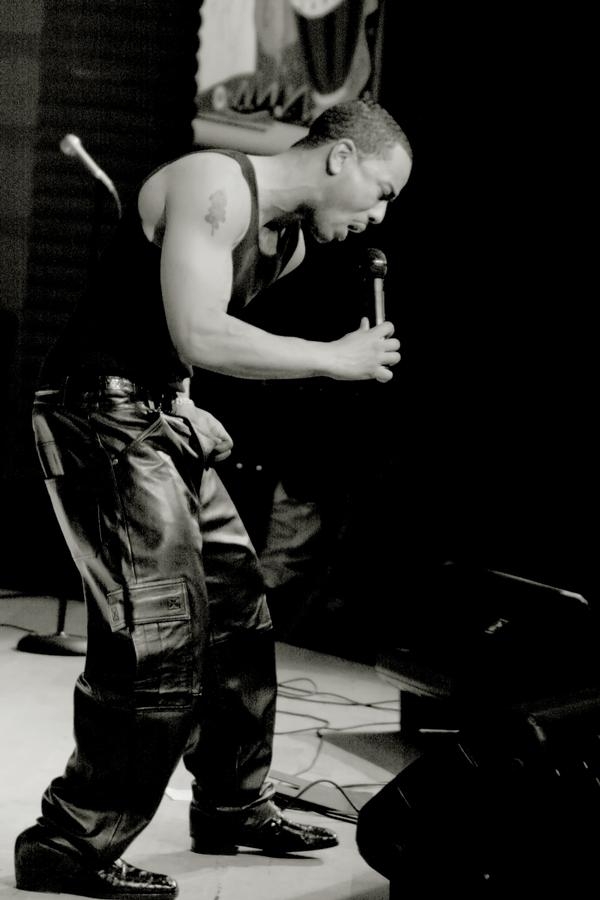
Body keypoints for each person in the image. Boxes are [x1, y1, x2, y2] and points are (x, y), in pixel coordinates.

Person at [15, 98, 412, 898]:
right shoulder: (213, 184)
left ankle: (232, 802)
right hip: (96, 412)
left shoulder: (286, 242)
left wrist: (183, 399)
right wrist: (334, 358)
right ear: (341, 156)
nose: (377, 217)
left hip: (155, 412)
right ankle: (69, 841)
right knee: (159, 638)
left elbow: (172, 337)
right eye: (381, 191)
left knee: (238, 615)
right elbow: (198, 328)